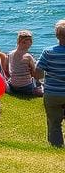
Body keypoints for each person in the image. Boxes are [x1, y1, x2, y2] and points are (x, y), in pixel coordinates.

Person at [36, 19, 65, 147]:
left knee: (54, 122)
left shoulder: (48, 52)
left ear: (57, 35)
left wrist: (42, 80)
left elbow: (38, 73)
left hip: (52, 93)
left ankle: (56, 146)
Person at [6, 30, 43, 96]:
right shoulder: (28, 56)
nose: (31, 43)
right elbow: (35, 74)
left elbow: (8, 70)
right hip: (26, 87)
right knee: (38, 82)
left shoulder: (10, 54)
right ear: (26, 42)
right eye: (31, 41)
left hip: (13, 85)